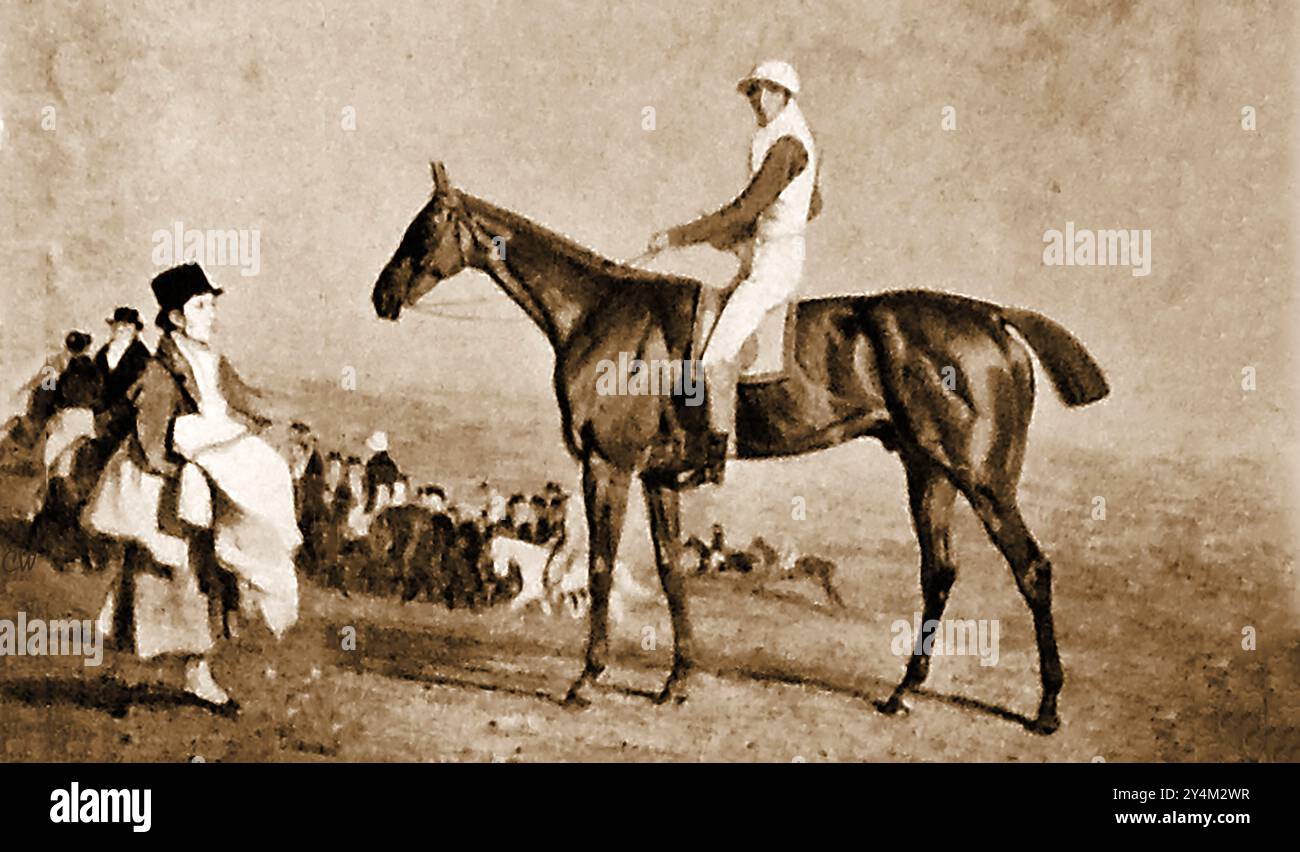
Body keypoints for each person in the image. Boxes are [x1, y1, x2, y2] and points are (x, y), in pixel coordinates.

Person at [82, 262, 300, 713]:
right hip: (165, 489)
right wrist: (189, 459)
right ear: (177, 318)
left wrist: (267, 428)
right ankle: (141, 675)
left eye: (213, 305)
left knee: (204, 579)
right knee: (158, 579)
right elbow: (151, 436)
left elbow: (245, 402)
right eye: (202, 306)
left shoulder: (214, 361)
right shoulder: (161, 370)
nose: (212, 315)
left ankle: (193, 674)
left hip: (203, 487)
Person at [647, 60, 822, 486]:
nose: (755, 101)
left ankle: (713, 461)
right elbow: (813, 203)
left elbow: (747, 206)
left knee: (715, 355)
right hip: (765, 253)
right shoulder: (785, 140)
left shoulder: (786, 146)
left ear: (783, 94)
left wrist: (678, 236)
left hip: (773, 266)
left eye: (761, 92)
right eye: (751, 93)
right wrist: (750, 233)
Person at [93, 307, 151, 452]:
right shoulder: (103, 353)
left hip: (128, 418)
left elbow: (141, 389)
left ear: (135, 330)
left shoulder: (141, 355)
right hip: (101, 415)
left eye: (127, 325)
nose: (121, 329)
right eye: (118, 325)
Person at [363, 430, 399, 512]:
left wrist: (367, 510)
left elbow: (371, 490)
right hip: (390, 503)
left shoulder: (372, 465)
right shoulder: (391, 464)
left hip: (376, 503)